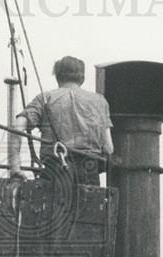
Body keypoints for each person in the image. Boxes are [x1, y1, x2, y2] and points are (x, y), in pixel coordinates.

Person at [10, 55, 113, 186]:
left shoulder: (45, 99)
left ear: (58, 77)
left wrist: (15, 167)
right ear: (82, 78)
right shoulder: (100, 102)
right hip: (89, 172)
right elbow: (109, 148)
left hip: (54, 170)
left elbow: (16, 128)